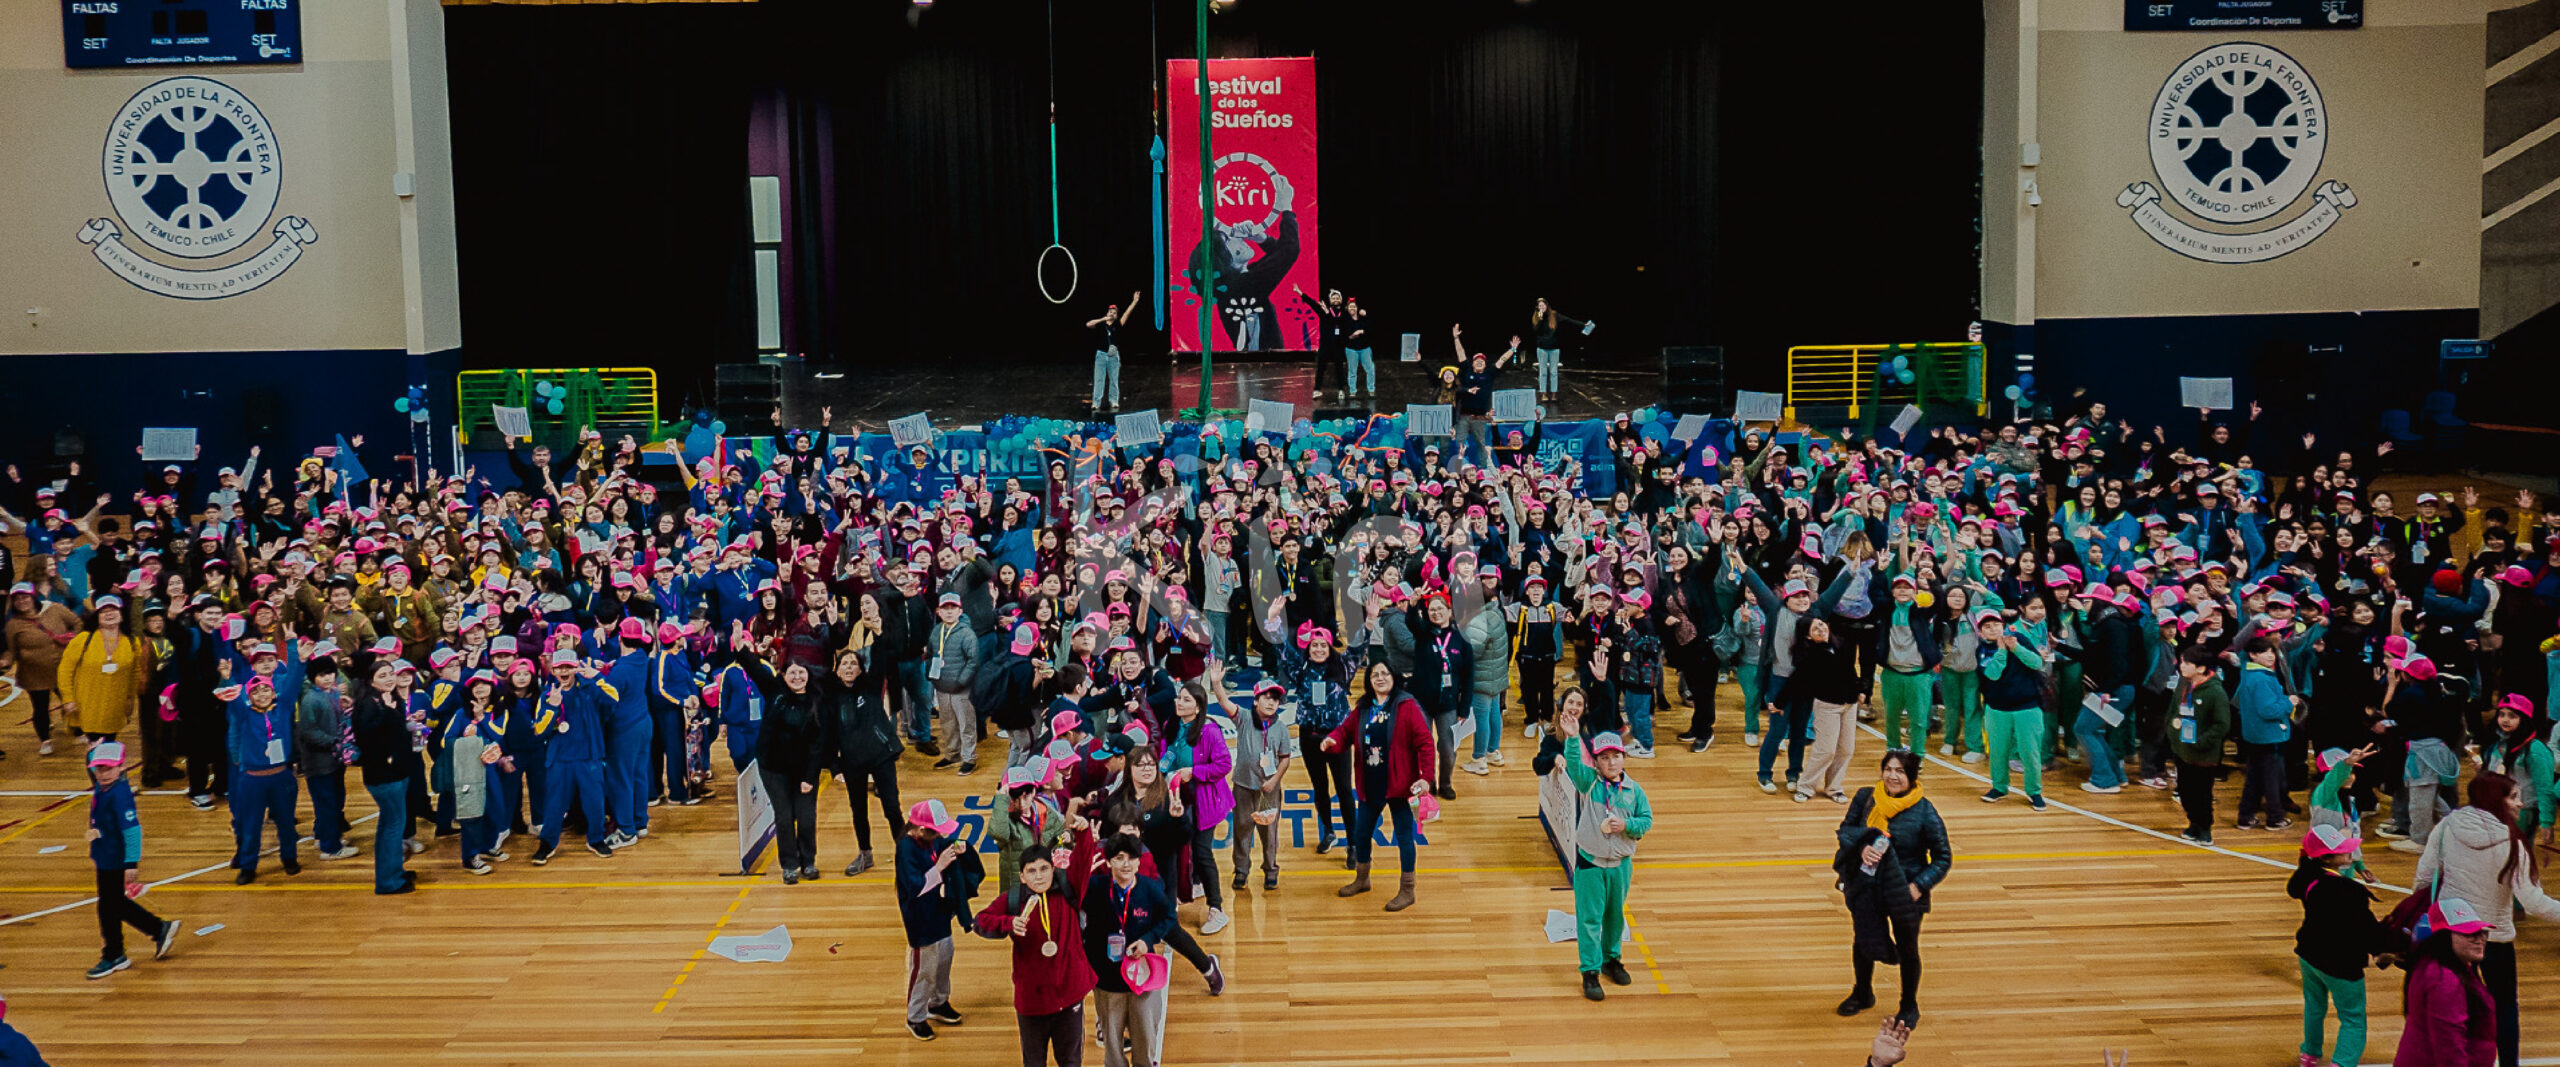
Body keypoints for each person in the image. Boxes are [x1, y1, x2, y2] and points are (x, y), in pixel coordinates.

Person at [2413, 772, 2560, 1066]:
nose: (2521, 803)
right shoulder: (2513, 843)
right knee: (2504, 1007)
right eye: (2514, 797)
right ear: (2497, 800)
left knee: (2459, 1005)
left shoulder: (2447, 826)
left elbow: (2424, 877)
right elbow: (2532, 902)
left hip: (2450, 935)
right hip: (2494, 939)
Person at [1545, 699, 1652, 1002]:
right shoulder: (1588, 783)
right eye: (1604, 758)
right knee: (1589, 919)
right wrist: (1573, 737)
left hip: (1620, 864)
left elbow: (1646, 821)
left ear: (1623, 758)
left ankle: (1612, 959)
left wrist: (1628, 825)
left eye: (1615, 757)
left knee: (1615, 917)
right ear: (1598, 762)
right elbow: (1576, 766)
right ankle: (1590, 971)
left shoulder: (1635, 791)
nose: (1611, 763)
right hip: (1591, 863)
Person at [1833, 750, 1947, 1028]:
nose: (1892, 776)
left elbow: (1943, 857)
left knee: (1908, 948)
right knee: (1863, 939)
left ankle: (1909, 1004)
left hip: (1904, 891)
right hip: (1868, 885)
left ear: (1912, 777)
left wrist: (1919, 885)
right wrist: (1862, 848)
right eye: (1888, 769)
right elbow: (1847, 831)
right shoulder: (1865, 798)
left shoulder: (1925, 812)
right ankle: (1862, 992)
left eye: (1900, 772)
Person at [1322, 661, 1436, 912]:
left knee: (1404, 838)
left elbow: (1426, 743)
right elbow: (1346, 730)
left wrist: (1426, 777)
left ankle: (1408, 889)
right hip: (1370, 783)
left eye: (1385, 673)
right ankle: (1362, 878)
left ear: (1394, 677)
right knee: (1362, 834)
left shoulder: (1406, 706)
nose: (1380, 678)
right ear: (1368, 680)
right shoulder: (1363, 706)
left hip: (1400, 785)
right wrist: (1333, 740)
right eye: (1375, 674)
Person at [972, 840, 1098, 1067]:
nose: (1039, 876)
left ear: (1053, 869)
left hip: (1069, 999)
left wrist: (1082, 832)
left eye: (1044, 869)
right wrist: (1008, 922)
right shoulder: (1013, 900)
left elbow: (1083, 858)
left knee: (1071, 1061)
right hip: (1032, 1001)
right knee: (1033, 1063)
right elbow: (980, 921)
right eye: (1031, 871)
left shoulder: (1069, 890)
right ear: (1022, 876)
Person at [2292, 825, 2390, 1067]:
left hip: (2309, 955)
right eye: (2342, 851)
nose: (2349, 853)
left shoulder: (2306, 877)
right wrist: (2383, 951)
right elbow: (2367, 929)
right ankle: (2343, 1063)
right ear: (2326, 858)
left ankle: (2310, 1054)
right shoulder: (2350, 892)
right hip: (2341, 964)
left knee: (2314, 1004)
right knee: (2353, 1017)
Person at [82, 741, 180, 980]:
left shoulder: (120, 796)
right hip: (104, 855)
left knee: (109, 906)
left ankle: (116, 952)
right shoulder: (104, 786)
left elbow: (133, 831)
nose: (102, 773)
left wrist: (131, 863)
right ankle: (153, 931)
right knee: (112, 904)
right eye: (98, 769)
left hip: (114, 859)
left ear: (121, 767)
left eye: (108, 768)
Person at [896, 799, 983, 1042]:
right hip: (920, 920)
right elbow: (915, 887)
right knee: (923, 969)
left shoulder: (931, 839)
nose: (941, 836)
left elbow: (945, 843)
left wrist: (957, 846)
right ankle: (915, 1016)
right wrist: (941, 864)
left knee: (945, 956)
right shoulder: (906, 849)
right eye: (938, 830)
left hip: (939, 911)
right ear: (922, 829)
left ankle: (938, 1002)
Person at [1085, 833, 1174, 1067]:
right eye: (1119, 857)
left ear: (1138, 862)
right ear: (1108, 862)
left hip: (1142, 981)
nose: (1125, 863)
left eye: (1131, 858)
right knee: (1113, 1047)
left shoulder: (1151, 888)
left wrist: (1148, 939)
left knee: (1145, 1042)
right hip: (1107, 981)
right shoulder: (1094, 888)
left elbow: (1168, 917)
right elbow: (1069, 894)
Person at [529, 648, 616, 866]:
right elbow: (539, 730)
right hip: (560, 759)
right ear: (553, 669)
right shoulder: (547, 695)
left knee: (595, 802)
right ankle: (547, 844)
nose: (564, 671)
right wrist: (553, 707)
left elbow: (613, 701)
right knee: (555, 806)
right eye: (560, 667)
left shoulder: (589, 688)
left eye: (569, 666)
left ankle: (596, 839)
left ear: (576, 667)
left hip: (589, 756)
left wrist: (596, 677)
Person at [822, 646, 903, 877]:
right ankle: (865, 854)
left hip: (881, 757)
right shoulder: (830, 698)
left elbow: (880, 657)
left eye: (854, 664)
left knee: (892, 807)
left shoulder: (871, 686)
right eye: (844, 664)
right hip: (852, 762)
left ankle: (905, 852)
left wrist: (878, 631)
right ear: (836, 670)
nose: (849, 668)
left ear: (861, 669)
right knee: (858, 811)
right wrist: (834, 767)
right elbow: (827, 736)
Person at [2394, 897, 2498, 1067]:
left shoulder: (2440, 967)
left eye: (2482, 932)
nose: (2480, 939)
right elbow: (2449, 1047)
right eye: (2469, 933)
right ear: (2443, 937)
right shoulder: (2444, 981)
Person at [220, 671, 302, 885]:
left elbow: (294, 683)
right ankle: (248, 866)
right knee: (251, 825)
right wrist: (229, 678)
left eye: (266, 689)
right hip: (253, 780)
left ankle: (289, 858)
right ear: (249, 696)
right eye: (256, 691)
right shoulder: (245, 715)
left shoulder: (283, 710)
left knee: (286, 822)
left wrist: (297, 655)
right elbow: (234, 701)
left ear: (274, 693)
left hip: (281, 777)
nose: (262, 694)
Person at [351, 659, 419, 894]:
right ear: (371, 680)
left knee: (389, 826)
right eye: (383, 675)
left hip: (394, 772)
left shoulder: (387, 700)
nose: (389, 678)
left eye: (391, 673)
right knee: (393, 827)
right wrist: (390, 714)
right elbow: (371, 740)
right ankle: (389, 882)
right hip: (384, 776)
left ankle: (393, 871)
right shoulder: (369, 705)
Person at [1974, 611, 2049, 811]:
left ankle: (2034, 792)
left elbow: (2037, 663)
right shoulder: (1982, 651)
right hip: (1997, 709)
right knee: (1998, 751)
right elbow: (1992, 674)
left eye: (1996, 625)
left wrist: (2016, 648)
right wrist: (2002, 651)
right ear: (1980, 632)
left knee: (2030, 752)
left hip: (2028, 706)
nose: (1993, 629)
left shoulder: (2020, 639)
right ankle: (1999, 787)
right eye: (1987, 627)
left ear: (2003, 626)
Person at [1228, 677, 1297, 893]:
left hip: (1269, 789)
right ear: (1256, 700)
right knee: (1241, 829)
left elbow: (1285, 758)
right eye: (1266, 698)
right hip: (1242, 786)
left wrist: (1274, 780)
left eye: (1275, 700)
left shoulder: (1281, 729)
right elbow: (1224, 703)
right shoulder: (1244, 719)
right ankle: (1241, 870)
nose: (1271, 703)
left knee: (1269, 833)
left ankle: (1270, 871)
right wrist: (1217, 684)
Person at [1791, 616, 1863, 804]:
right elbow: (1796, 680)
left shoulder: (1841, 643)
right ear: (1807, 636)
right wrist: (1779, 702)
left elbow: (1851, 671)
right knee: (1826, 750)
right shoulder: (1810, 655)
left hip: (1849, 704)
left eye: (1822, 625)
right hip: (1827, 707)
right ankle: (1805, 786)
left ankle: (1834, 787)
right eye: (1815, 629)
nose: (1821, 629)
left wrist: (1860, 690)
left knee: (1846, 749)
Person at [5, 583, 82, 756]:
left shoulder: (54, 609)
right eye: (17, 599)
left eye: (25, 597)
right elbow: (11, 651)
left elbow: (76, 622)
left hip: (62, 669)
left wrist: (75, 642)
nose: (21, 602)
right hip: (34, 674)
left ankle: (78, 730)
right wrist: (5, 661)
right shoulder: (13, 625)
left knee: (71, 700)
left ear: (33, 597)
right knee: (40, 707)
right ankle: (45, 740)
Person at [2167, 645, 2232, 844]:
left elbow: (2222, 724)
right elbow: (2173, 711)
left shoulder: (2215, 693)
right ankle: (2193, 824)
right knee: (2185, 791)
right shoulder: (2182, 684)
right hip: (2182, 750)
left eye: (2187, 663)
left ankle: (2205, 828)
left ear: (2201, 668)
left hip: (2204, 755)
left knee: (2202, 793)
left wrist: (2201, 742)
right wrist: (2172, 733)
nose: (2182, 666)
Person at [2234, 635, 2296, 832]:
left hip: (2254, 735)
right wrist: (2289, 702)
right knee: (2271, 778)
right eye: (2264, 652)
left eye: (2271, 651)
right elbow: (2268, 710)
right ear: (2252, 655)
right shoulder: (2262, 679)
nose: (2270, 656)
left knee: (2254, 777)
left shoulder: (2249, 674)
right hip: (2268, 736)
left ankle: (2245, 816)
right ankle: (2275, 818)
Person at [1087, 291, 1141, 414]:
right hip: (1101, 355)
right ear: (1107, 313)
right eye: (1110, 311)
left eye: (1114, 312)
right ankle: (1096, 402)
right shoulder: (1101, 324)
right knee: (1099, 379)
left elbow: (1127, 313)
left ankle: (1114, 400)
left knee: (1113, 380)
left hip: (1113, 355)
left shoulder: (1118, 324)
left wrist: (1135, 301)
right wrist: (1103, 319)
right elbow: (1088, 324)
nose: (1112, 313)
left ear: (1117, 315)